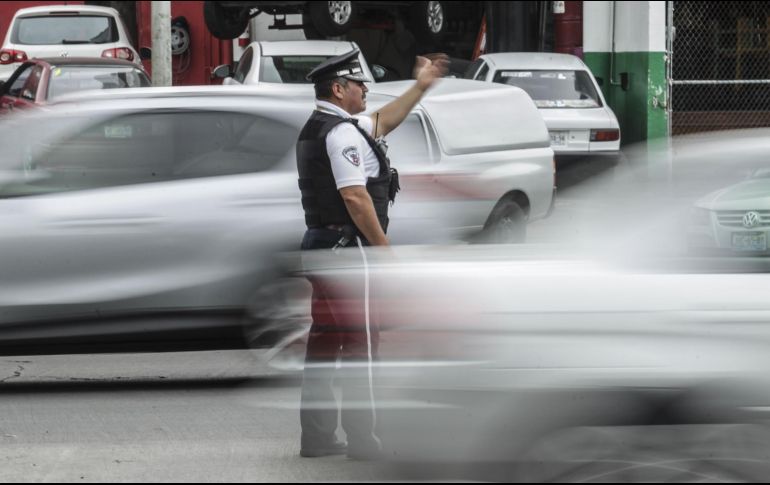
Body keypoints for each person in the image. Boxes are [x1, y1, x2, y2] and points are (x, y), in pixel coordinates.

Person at [296, 48, 448, 460]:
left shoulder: (326, 126)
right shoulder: (341, 133)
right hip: (350, 251)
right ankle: (366, 441)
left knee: (325, 346)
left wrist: (420, 87)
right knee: (363, 346)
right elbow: (355, 196)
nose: (366, 89)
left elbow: (383, 121)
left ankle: (318, 436)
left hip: (322, 244)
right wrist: (384, 252)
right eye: (359, 83)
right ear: (338, 88)